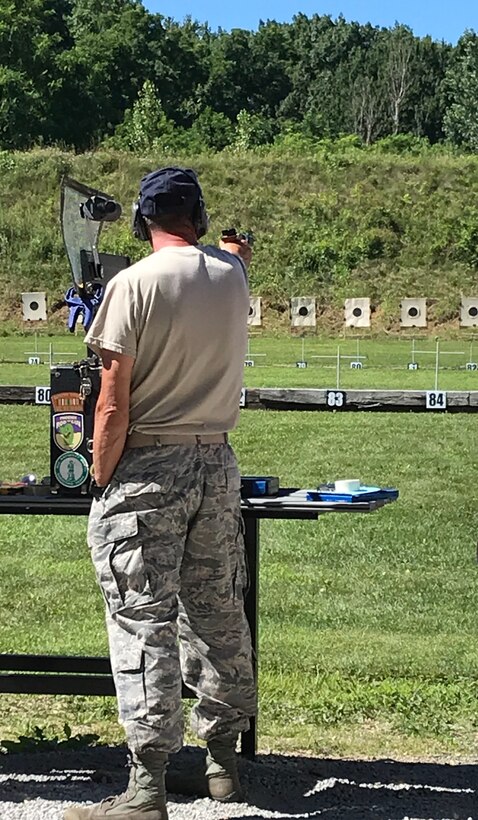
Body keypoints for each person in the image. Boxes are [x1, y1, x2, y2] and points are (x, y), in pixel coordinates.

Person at [64, 167, 256, 820]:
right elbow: (229, 263)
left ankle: (146, 788)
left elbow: (112, 403)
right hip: (217, 463)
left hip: (149, 465)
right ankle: (222, 762)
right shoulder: (233, 278)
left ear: (146, 222)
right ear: (197, 218)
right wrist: (233, 252)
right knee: (216, 609)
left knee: (142, 617)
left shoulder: (131, 285)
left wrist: (97, 473)